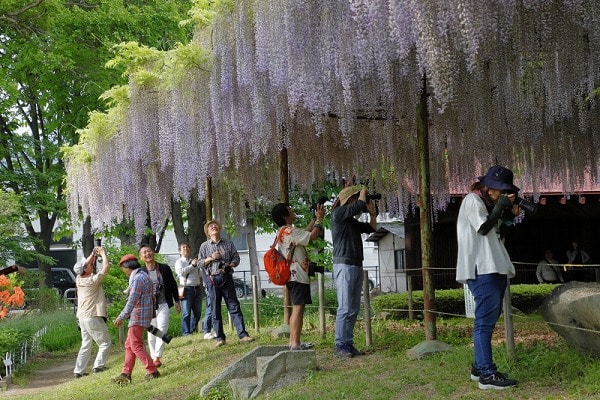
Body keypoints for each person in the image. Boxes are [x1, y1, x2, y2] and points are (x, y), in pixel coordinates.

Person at [456, 165, 519, 390]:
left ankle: (478, 367)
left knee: (487, 322)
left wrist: (507, 215)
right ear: (488, 187)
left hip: (493, 266)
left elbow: (496, 232)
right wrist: (500, 208)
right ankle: (487, 375)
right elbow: (483, 228)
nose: (501, 194)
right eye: (499, 190)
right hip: (482, 268)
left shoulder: (488, 204)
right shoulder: (473, 201)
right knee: (484, 324)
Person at [271, 202, 325, 350]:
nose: (292, 210)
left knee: (298, 307)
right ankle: (294, 343)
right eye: (290, 209)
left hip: (291, 275)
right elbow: (313, 236)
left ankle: (294, 342)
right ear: (285, 215)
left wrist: (314, 219)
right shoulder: (290, 231)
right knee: (298, 309)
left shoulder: (283, 231)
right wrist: (320, 220)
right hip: (298, 275)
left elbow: (305, 234)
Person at [331, 187, 377, 358]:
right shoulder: (338, 214)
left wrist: (372, 214)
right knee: (344, 307)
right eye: (356, 198)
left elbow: (372, 228)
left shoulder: (350, 221)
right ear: (349, 200)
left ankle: (347, 344)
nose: (360, 202)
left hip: (356, 265)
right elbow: (357, 206)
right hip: (344, 265)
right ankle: (339, 345)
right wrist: (363, 192)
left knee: (353, 308)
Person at [198, 219, 254, 347]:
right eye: (210, 226)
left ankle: (243, 335)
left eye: (215, 225)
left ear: (219, 228)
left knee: (234, 306)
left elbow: (236, 257)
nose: (213, 226)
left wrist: (232, 264)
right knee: (214, 309)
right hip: (212, 280)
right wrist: (211, 258)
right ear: (207, 232)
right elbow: (200, 263)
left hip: (226, 277)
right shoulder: (204, 246)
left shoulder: (228, 243)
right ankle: (219, 338)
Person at [112, 254, 160, 384]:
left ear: (127, 266)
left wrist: (121, 316)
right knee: (129, 345)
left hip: (138, 316)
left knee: (135, 344)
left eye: (123, 267)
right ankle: (125, 373)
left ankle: (152, 370)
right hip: (141, 315)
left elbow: (132, 300)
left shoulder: (138, 278)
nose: (123, 271)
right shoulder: (143, 276)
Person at [139, 244, 181, 367]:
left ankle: (157, 357)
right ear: (141, 257)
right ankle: (152, 357)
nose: (147, 254)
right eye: (144, 253)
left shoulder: (164, 268)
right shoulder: (140, 272)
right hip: (148, 306)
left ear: (153, 252)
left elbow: (173, 284)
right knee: (151, 333)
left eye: (149, 251)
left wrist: (177, 301)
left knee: (162, 329)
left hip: (163, 303)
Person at [72, 247, 111, 378]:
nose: (91, 265)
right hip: (92, 316)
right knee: (105, 342)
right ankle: (98, 366)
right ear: (86, 270)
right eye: (89, 265)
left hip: (82, 317)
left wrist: (93, 253)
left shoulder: (78, 279)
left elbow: (83, 265)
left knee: (86, 343)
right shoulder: (92, 281)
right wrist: (103, 253)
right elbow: (106, 267)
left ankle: (78, 371)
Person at [174, 241, 203, 336]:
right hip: (186, 289)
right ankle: (186, 333)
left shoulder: (194, 261)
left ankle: (191, 330)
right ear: (179, 251)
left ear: (190, 250)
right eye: (183, 248)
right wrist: (192, 266)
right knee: (186, 312)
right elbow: (181, 272)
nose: (186, 249)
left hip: (197, 288)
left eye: (187, 247)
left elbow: (200, 274)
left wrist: (199, 265)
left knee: (197, 312)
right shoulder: (179, 262)